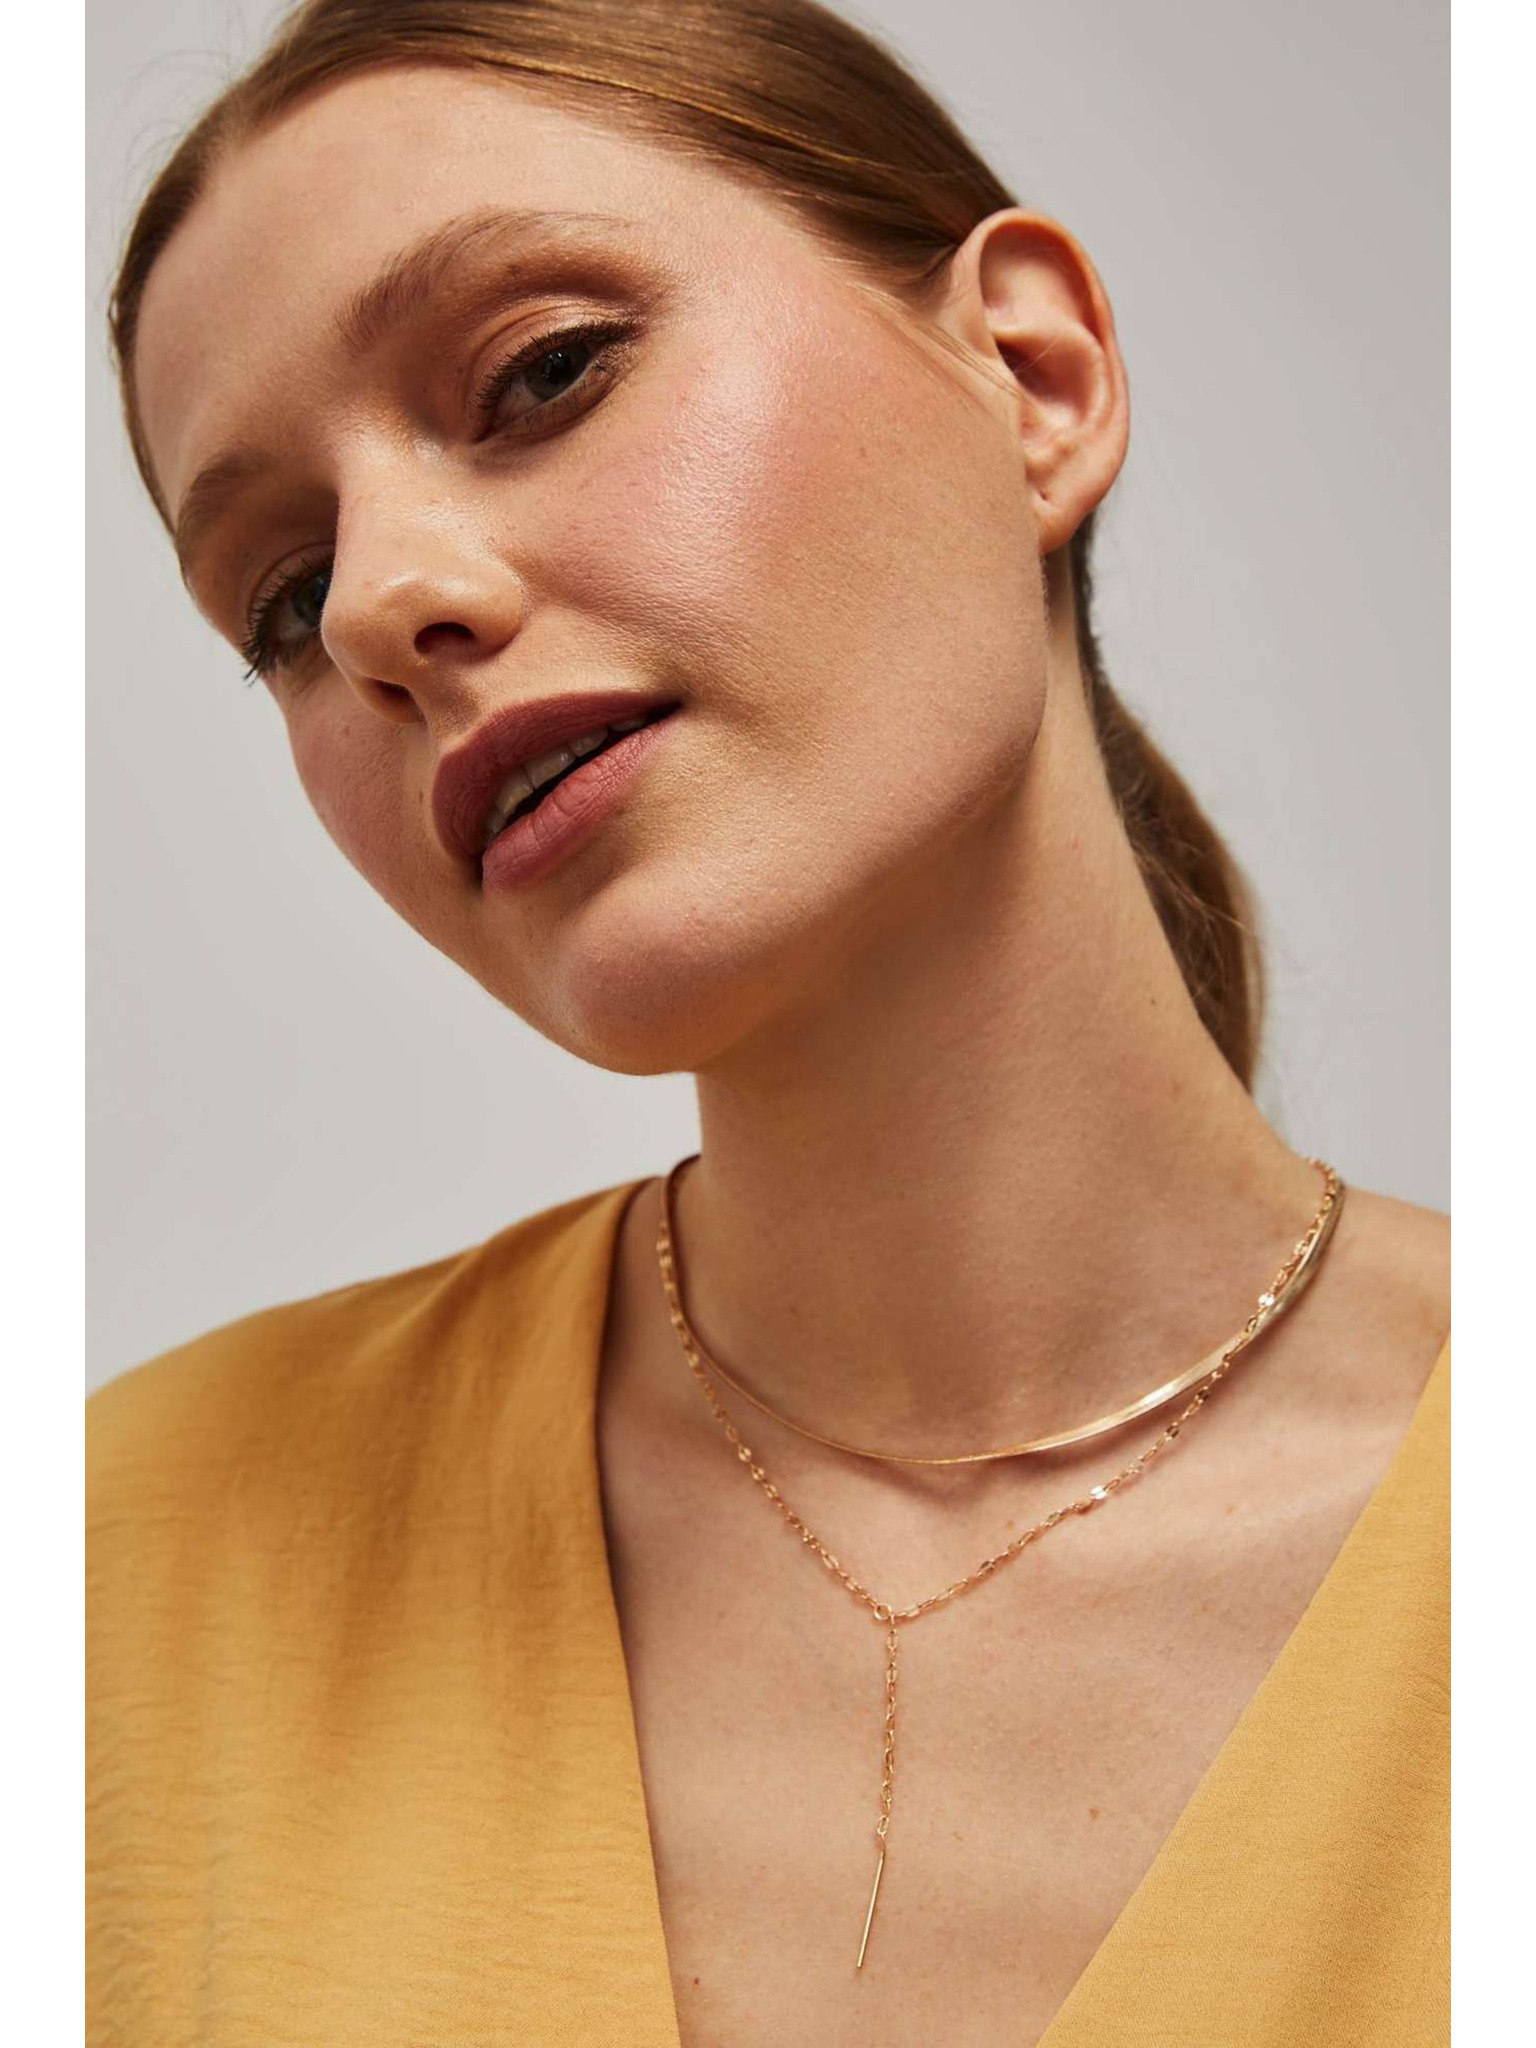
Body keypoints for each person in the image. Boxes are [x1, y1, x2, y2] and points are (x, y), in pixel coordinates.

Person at [86, 2, 1450, 2042]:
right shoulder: (127, 1568)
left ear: (1034, 379)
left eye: (544, 371)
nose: (377, 608)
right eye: (285, 596)